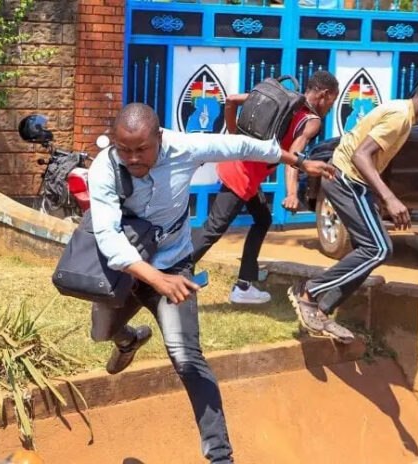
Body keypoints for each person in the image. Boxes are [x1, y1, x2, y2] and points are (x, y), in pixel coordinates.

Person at [88, 103, 334, 463]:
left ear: (159, 138)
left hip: (175, 265)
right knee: (102, 332)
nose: (133, 158)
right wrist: (155, 278)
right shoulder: (105, 168)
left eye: (142, 149)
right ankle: (130, 340)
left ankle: (220, 456)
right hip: (125, 273)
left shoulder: (184, 148)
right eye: (124, 149)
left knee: (187, 359)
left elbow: (242, 147)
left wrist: (296, 161)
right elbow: (107, 237)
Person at [288, 74, 418, 343]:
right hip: (346, 179)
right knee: (378, 248)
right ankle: (309, 292)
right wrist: (389, 197)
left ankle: (320, 310)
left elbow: (374, 157)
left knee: (371, 250)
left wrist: (377, 196)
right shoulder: (400, 116)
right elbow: (361, 155)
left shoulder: (405, 115)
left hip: (353, 182)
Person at [191, 71, 340, 304]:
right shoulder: (311, 121)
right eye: (333, 100)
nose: (331, 106)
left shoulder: (282, 99)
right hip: (243, 176)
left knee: (262, 219)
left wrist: (234, 139)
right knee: (214, 228)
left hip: (238, 166)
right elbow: (293, 156)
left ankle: (243, 284)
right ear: (325, 94)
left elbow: (231, 100)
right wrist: (292, 193)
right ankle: (173, 274)